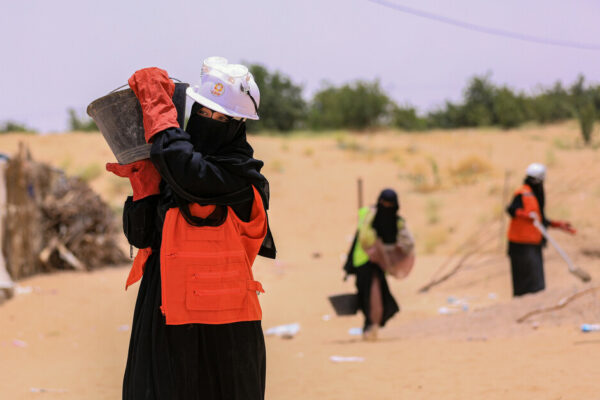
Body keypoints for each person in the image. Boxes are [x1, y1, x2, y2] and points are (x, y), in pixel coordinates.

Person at [106, 57, 276, 400]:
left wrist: (157, 107)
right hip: (164, 315)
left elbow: (188, 171)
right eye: (204, 112)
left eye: (223, 118)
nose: (211, 122)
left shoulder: (241, 178)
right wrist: (144, 188)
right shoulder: (173, 171)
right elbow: (140, 237)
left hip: (226, 327)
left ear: (240, 124)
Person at [343, 189, 415, 341]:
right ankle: (369, 328)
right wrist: (375, 249)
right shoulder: (368, 215)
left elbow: (408, 243)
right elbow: (364, 238)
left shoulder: (397, 222)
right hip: (362, 262)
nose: (387, 208)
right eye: (385, 204)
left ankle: (371, 327)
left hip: (379, 265)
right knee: (366, 295)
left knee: (377, 295)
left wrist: (390, 253)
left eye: (390, 205)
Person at [506, 163, 574, 296]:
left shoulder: (534, 195)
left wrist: (557, 224)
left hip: (533, 243)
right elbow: (511, 209)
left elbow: (539, 219)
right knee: (526, 282)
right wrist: (524, 215)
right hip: (520, 244)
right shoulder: (523, 193)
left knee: (536, 282)